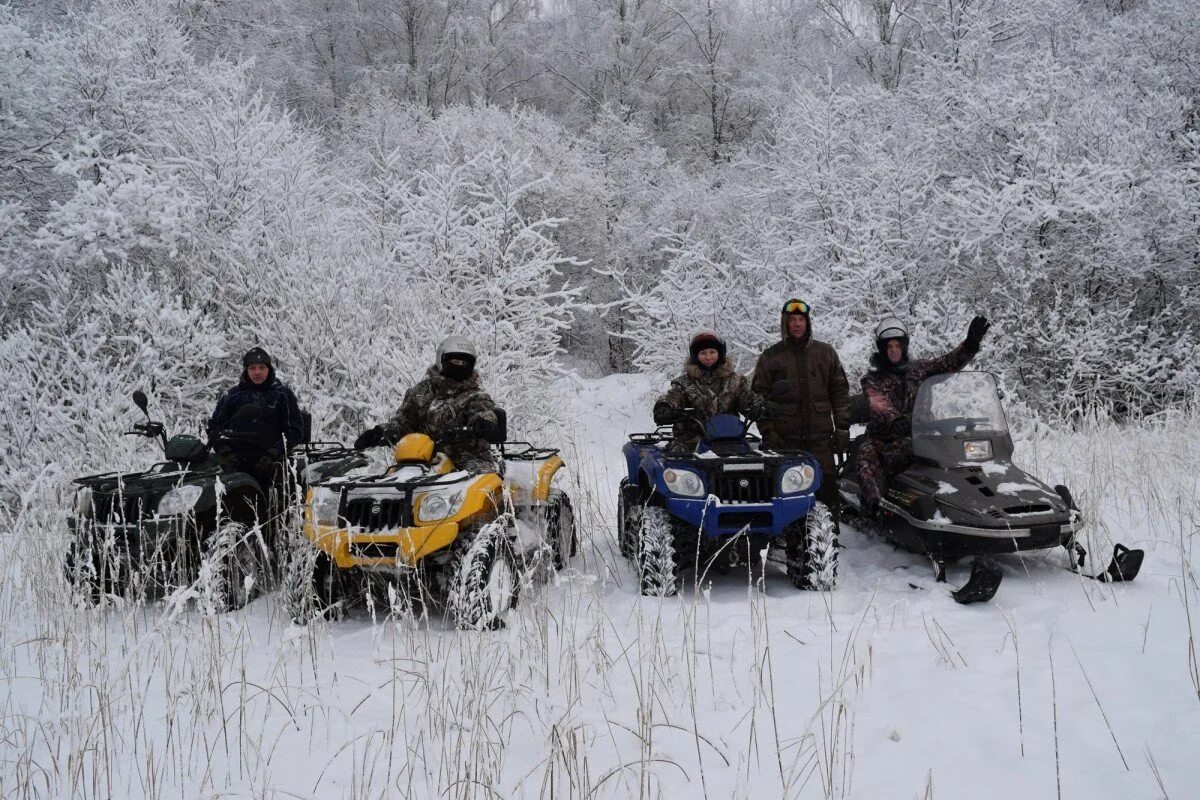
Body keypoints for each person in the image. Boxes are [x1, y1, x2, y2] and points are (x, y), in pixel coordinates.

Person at [857, 314, 991, 518]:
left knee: (959, 454)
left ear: (904, 347)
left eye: (897, 345)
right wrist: (895, 420)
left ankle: (972, 498)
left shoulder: (919, 369)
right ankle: (877, 508)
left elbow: (949, 363)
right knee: (866, 460)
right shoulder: (872, 379)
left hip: (921, 435)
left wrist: (970, 344)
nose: (893, 350)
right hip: (884, 439)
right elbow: (878, 403)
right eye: (889, 346)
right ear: (882, 349)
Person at [751, 299, 851, 513]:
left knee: (827, 494)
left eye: (801, 319)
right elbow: (758, 400)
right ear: (785, 323)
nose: (797, 324)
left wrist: (842, 428)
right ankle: (790, 541)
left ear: (808, 323)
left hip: (821, 441)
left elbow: (840, 393)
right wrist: (769, 433)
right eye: (793, 320)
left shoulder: (826, 354)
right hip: (785, 442)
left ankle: (827, 541)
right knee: (786, 497)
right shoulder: (770, 357)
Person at [354, 336, 501, 474]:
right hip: (422, 458)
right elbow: (404, 421)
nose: (460, 365)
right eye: (455, 362)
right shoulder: (421, 392)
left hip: (467, 458)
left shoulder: (475, 395)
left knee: (480, 483)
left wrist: (484, 424)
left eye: (465, 363)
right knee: (393, 483)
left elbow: (481, 411)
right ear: (441, 360)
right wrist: (382, 432)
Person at [652, 330, 771, 452]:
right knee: (679, 463)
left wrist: (762, 407)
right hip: (691, 444)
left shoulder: (735, 381)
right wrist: (664, 407)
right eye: (703, 353)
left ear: (720, 353)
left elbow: (748, 399)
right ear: (695, 356)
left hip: (730, 441)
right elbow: (673, 397)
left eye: (712, 352)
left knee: (754, 463)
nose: (708, 357)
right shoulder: (684, 383)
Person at [207, 346, 304, 489]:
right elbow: (214, 428)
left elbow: (295, 430)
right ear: (246, 370)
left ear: (269, 369)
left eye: (262, 367)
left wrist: (273, 454)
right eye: (252, 368)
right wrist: (226, 453)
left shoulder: (282, 395)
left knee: (281, 496)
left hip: (272, 462)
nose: (257, 372)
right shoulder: (232, 396)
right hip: (235, 462)